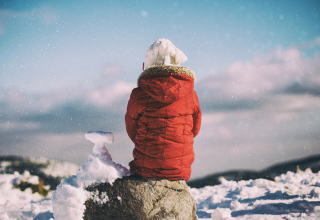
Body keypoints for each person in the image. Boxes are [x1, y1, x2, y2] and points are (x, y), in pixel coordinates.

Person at [125, 39, 201, 181]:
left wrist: (149, 143)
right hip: (180, 170)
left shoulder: (138, 94)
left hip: (145, 169)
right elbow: (195, 129)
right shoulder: (191, 94)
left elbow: (132, 130)